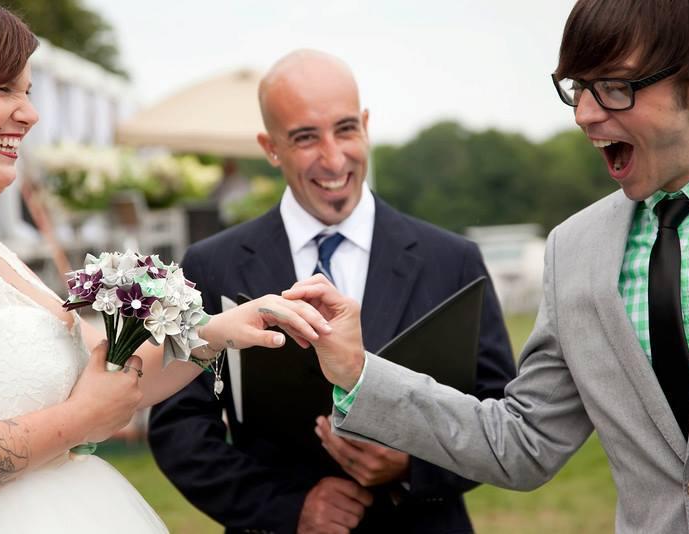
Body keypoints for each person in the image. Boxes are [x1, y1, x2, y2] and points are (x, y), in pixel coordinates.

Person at [0, 2, 329, 533]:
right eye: (1, 89)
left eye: (27, 92)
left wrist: (218, 331)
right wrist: (80, 420)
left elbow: (109, 372)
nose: (30, 114)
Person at [284, 1, 689, 532]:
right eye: (578, 88)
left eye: (615, 86)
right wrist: (356, 371)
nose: (584, 114)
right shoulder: (573, 250)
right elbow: (522, 442)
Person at [148, 49, 515, 534]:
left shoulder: (452, 260)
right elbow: (180, 426)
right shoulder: (212, 265)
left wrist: (411, 466)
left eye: (345, 129)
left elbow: (499, 416)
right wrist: (288, 508)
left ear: (366, 125)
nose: (334, 157)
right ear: (270, 147)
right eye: (305, 137)